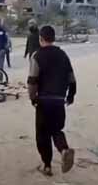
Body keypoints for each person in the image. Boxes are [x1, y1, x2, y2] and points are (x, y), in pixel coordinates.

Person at [28, 25, 77, 176]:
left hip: (44, 101)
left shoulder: (37, 56)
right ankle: (64, 149)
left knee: (42, 134)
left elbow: (32, 80)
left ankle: (47, 166)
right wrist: (71, 95)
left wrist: (33, 97)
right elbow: (71, 78)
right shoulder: (63, 55)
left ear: (41, 39)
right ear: (54, 38)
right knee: (56, 130)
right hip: (58, 101)